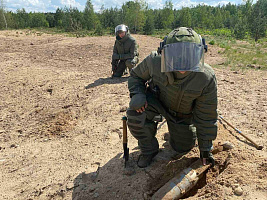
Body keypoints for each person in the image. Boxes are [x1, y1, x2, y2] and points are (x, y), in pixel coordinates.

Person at [126, 27, 217, 168]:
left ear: (199, 54)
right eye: (176, 55)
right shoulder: (154, 61)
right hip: (157, 103)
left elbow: (206, 116)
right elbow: (135, 76)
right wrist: (137, 93)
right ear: (164, 53)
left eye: (189, 55)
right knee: (135, 114)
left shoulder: (205, 77)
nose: (183, 62)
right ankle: (149, 150)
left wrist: (205, 150)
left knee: (182, 148)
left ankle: (176, 134)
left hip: (183, 116)